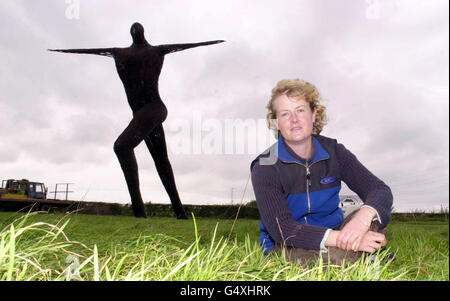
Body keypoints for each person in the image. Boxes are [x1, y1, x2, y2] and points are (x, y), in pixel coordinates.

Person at [50, 22, 225, 219]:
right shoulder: (120, 53)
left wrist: (212, 42)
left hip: (154, 109)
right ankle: (180, 212)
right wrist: (61, 50)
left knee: (122, 146)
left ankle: (139, 211)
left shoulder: (155, 52)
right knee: (161, 161)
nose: (136, 30)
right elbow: (90, 51)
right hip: (143, 114)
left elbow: (186, 45)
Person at [250, 79, 393, 265]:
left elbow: (379, 190)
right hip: (289, 243)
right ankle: (359, 257)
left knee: (371, 214)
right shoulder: (264, 166)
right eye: (285, 114)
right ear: (276, 122)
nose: (294, 119)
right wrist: (344, 239)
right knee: (316, 260)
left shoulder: (335, 152)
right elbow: (282, 229)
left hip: (337, 232)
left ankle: (354, 256)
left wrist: (360, 223)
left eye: (300, 110)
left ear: (314, 114)